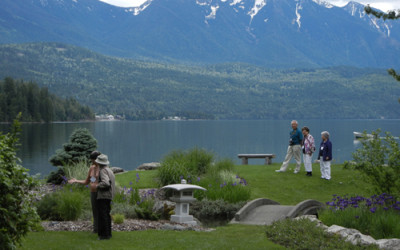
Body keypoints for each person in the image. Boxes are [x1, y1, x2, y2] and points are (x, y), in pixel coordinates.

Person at [68, 150, 101, 233]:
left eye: (93, 160)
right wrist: (76, 181)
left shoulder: (102, 168)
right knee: (95, 210)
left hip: (101, 192)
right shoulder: (91, 168)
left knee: (101, 210)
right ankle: (95, 229)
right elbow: (88, 181)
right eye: (91, 160)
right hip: (93, 192)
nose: (92, 161)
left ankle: (102, 229)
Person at [95, 154, 115, 240]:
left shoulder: (102, 171)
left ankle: (104, 235)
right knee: (106, 215)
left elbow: (106, 182)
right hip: (109, 195)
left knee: (103, 215)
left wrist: (97, 186)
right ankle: (108, 234)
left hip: (103, 196)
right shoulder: (109, 170)